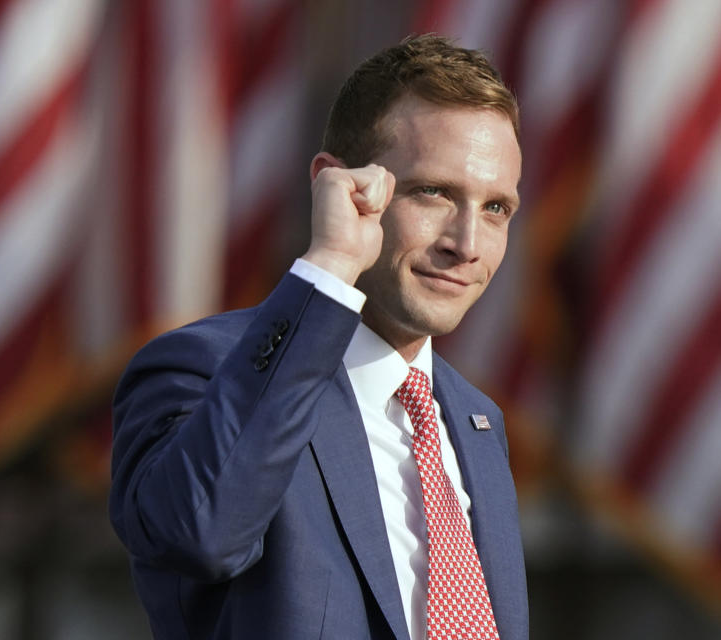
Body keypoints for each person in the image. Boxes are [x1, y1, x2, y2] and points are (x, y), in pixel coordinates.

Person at [109, 34, 527, 640]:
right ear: (337, 185)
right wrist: (331, 262)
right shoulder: (203, 367)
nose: (466, 244)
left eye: (495, 209)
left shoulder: (476, 421)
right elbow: (199, 532)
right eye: (432, 192)